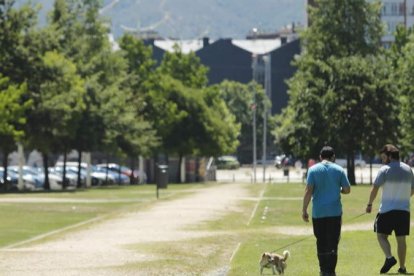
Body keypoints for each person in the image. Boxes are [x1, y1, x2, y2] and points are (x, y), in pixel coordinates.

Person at [302, 146, 351, 276]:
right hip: (334, 213)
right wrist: (338, 189)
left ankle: (323, 270)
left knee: (321, 241)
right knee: (333, 241)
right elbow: (347, 189)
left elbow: (308, 191)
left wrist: (304, 210)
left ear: (320, 157)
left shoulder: (312, 170)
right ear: (333, 157)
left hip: (318, 213)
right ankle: (331, 270)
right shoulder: (339, 170)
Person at [366, 144, 414, 274]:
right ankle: (403, 268)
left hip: (387, 210)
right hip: (404, 211)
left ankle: (389, 257)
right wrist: (402, 197)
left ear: (389, 156)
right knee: (401, 240)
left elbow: (375, 188)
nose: (382, 160)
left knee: (381, 236)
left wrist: (369, 204)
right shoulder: (409, 169)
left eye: (383, 157)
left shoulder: (384, 169)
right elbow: (412, 190)